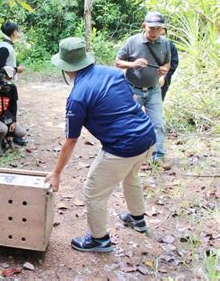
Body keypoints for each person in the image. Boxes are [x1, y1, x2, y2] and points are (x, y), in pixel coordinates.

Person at [46, 37, 156, 253]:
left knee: (92, 192)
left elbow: (71, 140)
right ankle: (138, 220)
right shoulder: (113, 73)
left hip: (122, 147)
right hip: (147, 135)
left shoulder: (77, 97)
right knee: (131, 177)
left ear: (66, 69)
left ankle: (99, 240)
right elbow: (129, 99)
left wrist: (57, 172)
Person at [116, 11, 171, 162]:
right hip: (133, 89)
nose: (154, 32)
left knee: (158, 123)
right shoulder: (132, 41)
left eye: (158, 28)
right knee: (128, 122)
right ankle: (127, 154)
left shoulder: (165, 43)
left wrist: (164, 71)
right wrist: (133, 64)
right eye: (151, 28)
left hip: (154, 90)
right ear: (144, 26)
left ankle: (158, 156)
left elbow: (167, 62)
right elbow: (118, 62)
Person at [159, 26, 179, 101]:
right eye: (159, 34)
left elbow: (174, 63)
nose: (161, 36)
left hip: (163, 79)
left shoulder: (170, 45)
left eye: (163, 34)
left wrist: (165, 76)